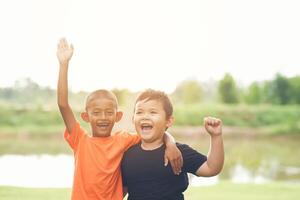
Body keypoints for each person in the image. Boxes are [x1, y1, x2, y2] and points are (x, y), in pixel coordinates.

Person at [56, 38, 183, 200]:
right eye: (96, 112)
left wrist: (171, 143)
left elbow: (155, 134)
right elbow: (63, 104)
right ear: (86, 117)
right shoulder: (79, 140)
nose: (103, 117)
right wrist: (63, 64)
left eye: (109, 112)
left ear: (118, 116)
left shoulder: (122, 140)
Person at [121, 89, 224, 200]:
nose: (145, 116)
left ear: (168, 121)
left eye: (153, 112)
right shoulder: (127, 155)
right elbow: (122, 190)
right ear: (133, 119)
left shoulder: (179, 152)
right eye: (139, 112)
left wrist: (216, 136)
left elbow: (211, 168)